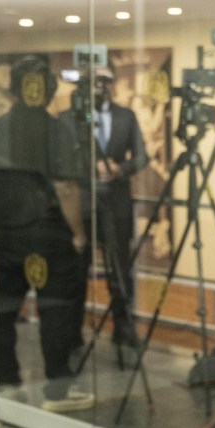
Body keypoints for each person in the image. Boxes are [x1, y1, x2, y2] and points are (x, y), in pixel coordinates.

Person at [0, 54, 94, 412]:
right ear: (48, 89)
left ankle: (5, 381)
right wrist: (77, 233)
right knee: (55, 311)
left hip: (8, 234)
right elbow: (66, 187)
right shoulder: (56, 130)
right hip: (49, 235)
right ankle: (58, 389)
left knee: (4, 308)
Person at [61, 67, 147, 351]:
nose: (98, 88)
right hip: (81, 205)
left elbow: (141, 157)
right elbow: (60, 160)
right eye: (92, 83)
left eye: (103, 82)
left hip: (117, 204)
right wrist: (90, 168)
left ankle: (123, 328)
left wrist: (119, 169)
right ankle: (71, 331)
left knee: (120, 269)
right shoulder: (68, 119)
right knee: (76, 271)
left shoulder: (126, 116)